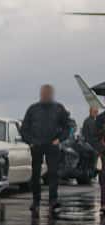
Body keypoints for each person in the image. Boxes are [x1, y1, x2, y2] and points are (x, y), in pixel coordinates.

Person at [19, 84, 74, 212]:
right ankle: (35, 201)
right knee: (35, 174)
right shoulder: (33, 109)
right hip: (36, 146)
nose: (46, 95)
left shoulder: (59, 109)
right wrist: (30, 141)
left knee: (53, 173)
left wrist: (59, 139)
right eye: (44, 92)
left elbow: (67, 127)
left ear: (52, 94)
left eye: (48, 93)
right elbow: (24, 129)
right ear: (41, 94)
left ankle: (53, 201)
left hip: (52, 145)